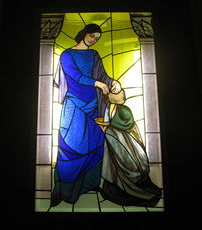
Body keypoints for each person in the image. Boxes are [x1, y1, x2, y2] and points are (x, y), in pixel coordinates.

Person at [51, 23, 121, 206]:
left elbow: (103, 76)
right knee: (71, 146)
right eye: (92, 36)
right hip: (74, 105)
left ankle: (88, 185)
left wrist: (114, 82)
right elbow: (75, 76)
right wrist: (97, 84)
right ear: (83, 34)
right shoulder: (67, 55)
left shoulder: (94, 54)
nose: (94, 40)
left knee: (94, 146)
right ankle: (64, 191)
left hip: (94, 107)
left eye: (97, 38)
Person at [99, 90, 162, 207]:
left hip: (124, 147)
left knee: (125, 168)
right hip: (118, 145)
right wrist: (107, 129)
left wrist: (106, 130)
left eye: (115, 90)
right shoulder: (113, 109)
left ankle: (124, 192)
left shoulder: (121, 111)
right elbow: (113, 125)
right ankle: (113, 190)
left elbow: (118, 128)